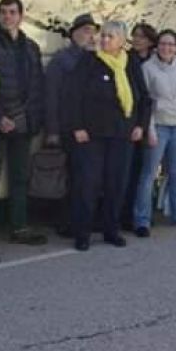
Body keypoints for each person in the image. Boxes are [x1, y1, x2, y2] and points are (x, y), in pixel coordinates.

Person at [66, 21, 151, 250]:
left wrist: (140, 125)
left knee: (116, 184)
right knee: (89, 184)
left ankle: (110, 229)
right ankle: (82, 232)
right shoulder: (89, 61)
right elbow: (73, 95)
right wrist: (77, 126)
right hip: (92, 135)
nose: (105, 40)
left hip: (122, 134)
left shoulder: (130, 62)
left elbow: (143, 97)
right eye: (103, 36)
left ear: (122, 41)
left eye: (111, 37)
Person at [0, 0, 46, 252]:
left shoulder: (31, 47)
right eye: (3, 12)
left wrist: (33, 120)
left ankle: (19, 227)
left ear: (21, 16)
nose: (7, 16)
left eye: (12, 12)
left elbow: (37, 86)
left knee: (20, 177)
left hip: (23, 123)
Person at [134, 30, 176, 237]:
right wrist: (151, 130)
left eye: (171, 44)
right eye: (163, 44)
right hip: (159, 127)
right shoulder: (147, 68)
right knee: (148, 173)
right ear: (157, 46)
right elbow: (146, 103)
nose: (167, 48)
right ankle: (142, 220)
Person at [44, 14, 99, 236]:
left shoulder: (95, 58)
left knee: (88, 177)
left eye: (92, 31)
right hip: (69, 127)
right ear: (74, 33)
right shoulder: (62, 60)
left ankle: (85, 219)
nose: (90, 35)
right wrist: (52, 130)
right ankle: (68, 222)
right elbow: (51, 96)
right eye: (86, 30)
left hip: (92, 128)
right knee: (73, 177)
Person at [122, 23, 159, 230]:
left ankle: (143, 212)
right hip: (132, 121)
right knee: (130, 170)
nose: (137, 40)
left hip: (151, 121)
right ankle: (126, 214)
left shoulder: (155, 61)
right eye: (135, 36)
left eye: (142, 37)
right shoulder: (126, 59)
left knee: (146, 171)